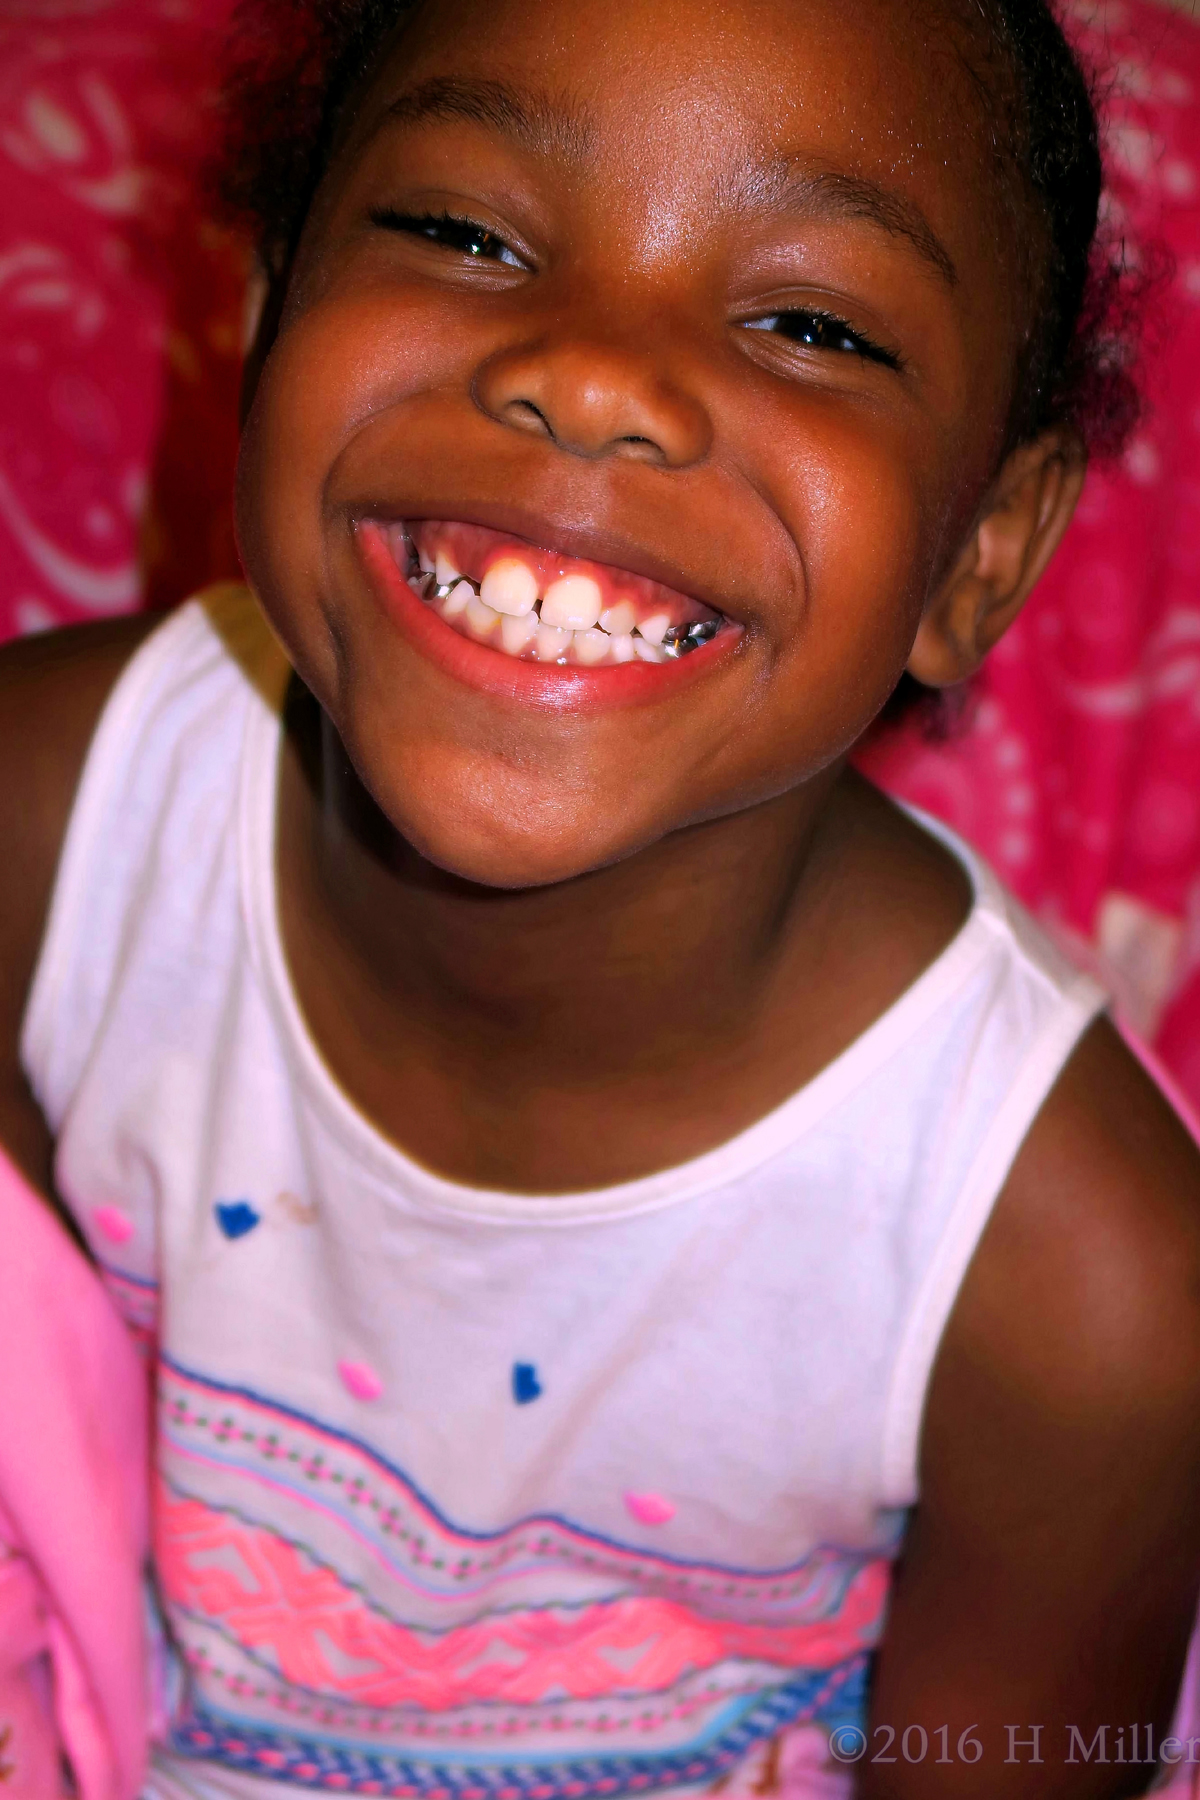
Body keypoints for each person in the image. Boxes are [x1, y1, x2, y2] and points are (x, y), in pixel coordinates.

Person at [1, 0, 1199, 1792]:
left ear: (982, 554)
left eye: (809, 324)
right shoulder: (50, 828)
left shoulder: (1075, 1287)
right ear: (261, 321)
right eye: (464, 233)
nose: (595, 376)